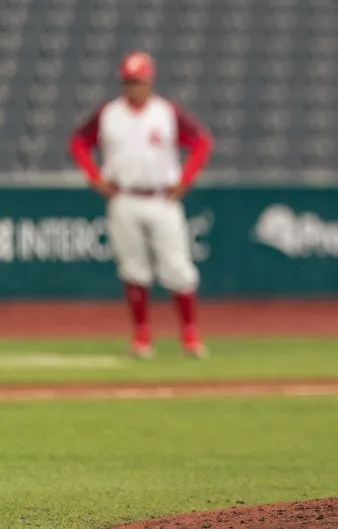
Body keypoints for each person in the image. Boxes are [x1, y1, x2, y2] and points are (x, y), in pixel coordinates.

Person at [69, 51, 213, 359]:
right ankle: (142, 338)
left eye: (139, 81)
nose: (134, 87)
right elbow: (79, 142)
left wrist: (187, 178)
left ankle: (190, 336)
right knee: (134, 269)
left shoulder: (165, 112)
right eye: (129, 82)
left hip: (162, 197)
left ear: (150, 81)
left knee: (177, 268)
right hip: (124, 196)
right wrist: (94, 176)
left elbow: (201, 141)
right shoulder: (109, 114)